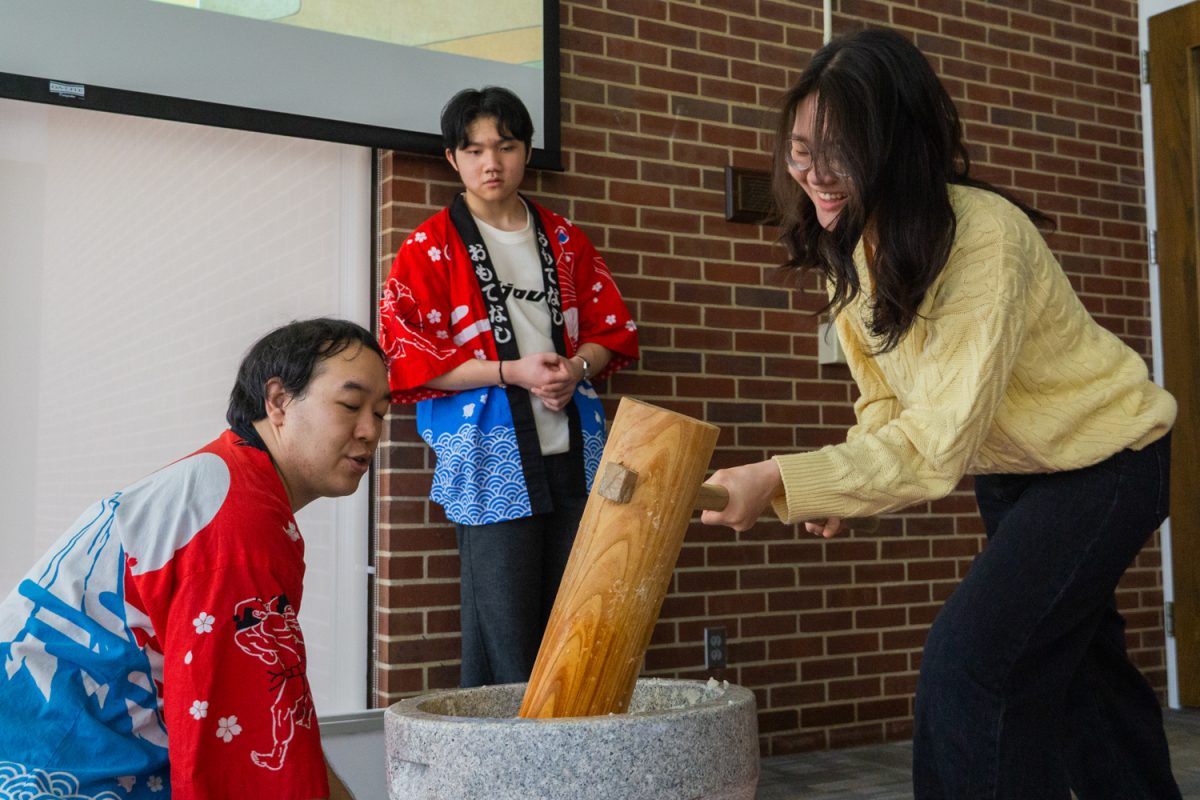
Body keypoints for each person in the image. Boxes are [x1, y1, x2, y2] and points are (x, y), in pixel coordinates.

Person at [701, 29, 1181, 800]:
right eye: (799, 151)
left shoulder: (984, 239)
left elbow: (932, 447)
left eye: (840, 152)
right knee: (1084, 677)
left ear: (896, 143)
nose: (816, 176)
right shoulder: (856, 245)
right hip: (1019, 471)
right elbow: (886, 403)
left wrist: (784, 479)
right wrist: (834, 487)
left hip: (1108, 463)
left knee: (971, 669)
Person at [0, 318, 388, 799]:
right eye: (351, 405)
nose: (371, 430)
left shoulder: (227, 483)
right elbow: (240, 746)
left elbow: (269, 703)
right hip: (55, 764)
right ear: (279, 401)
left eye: (381, 412)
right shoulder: (235, 517)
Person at [378, 86, 639, 688]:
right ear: (453, 159)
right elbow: (407, 358)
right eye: (473, 151)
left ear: (526, 152)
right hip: (490, 456)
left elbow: (613, 331)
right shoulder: (428, 246)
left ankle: (571, 759)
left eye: (506, 146)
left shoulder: (565, 238)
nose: (490, 162)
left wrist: (576, 369)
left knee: (578, 613)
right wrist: (512, 372)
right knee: (505, 629)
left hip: (576, 447)